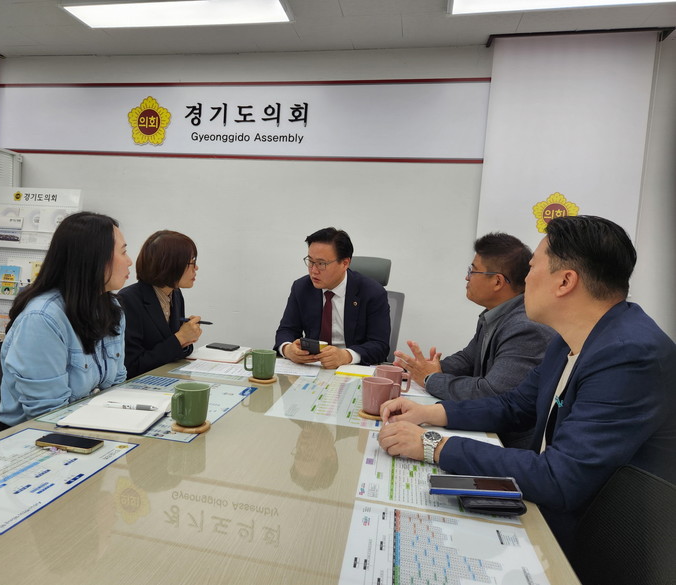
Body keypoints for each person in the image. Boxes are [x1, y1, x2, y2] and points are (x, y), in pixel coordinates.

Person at [377, 215, 676, 556]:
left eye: (532, 268)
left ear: (565, 281)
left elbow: (560, 478)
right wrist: (430, 413)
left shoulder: (629, 355)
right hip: (552, 510)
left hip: (598, 543)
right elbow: (515, 405)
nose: (525, 279)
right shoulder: (571, 339)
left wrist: (434, 445)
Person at [395, 232, 555, 447]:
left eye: (473, 270)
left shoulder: (525, 326)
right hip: (484, 426)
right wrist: (425, 368)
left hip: (508, 443)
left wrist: (430, 379)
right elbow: (468, 359)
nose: (467, 277)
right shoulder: (496, 313)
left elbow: (490, 393)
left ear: (497, 281)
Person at [0, 212, 131, 426]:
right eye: (123, 252)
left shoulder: (111, 308)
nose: (129, 262)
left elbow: (116, 385)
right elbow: (47, 415)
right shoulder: (42, 318)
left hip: (89, 423)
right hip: (35, 434)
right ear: (94, 258)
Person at [275, 227, 391, 368]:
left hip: (353, 368)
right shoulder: (302, 287)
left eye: (321, 263)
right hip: (313, 366)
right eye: (310, 261)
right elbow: (286, 330)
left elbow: (380, 345)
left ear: (345, 263)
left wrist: (346, 356)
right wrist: (288, 349)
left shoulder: (372, 292)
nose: (313, 270)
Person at [117, 230, 203, 378]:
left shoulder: (175, 294)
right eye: (191, 262)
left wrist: (187, 338)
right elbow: (132, 366)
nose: (196, 268)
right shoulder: (128, 300)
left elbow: (175, 350)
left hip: (166, 378)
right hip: (139, 385)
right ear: (170, 265)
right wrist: (180, 338)